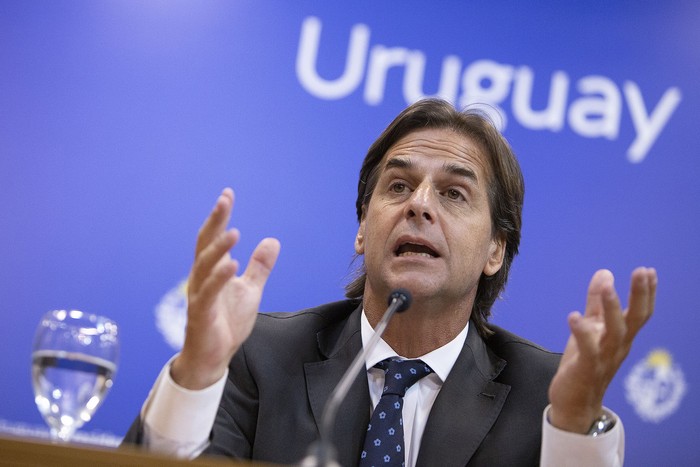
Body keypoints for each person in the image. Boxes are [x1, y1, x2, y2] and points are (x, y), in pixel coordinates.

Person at [123, 99, 657, 466]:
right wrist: (195, 374)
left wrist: (573, 424)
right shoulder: (256, 357)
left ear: (496, 248)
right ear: (362, 228)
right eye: (398, 185)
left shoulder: (548, 398)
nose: (419, 204)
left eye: (453, 194)